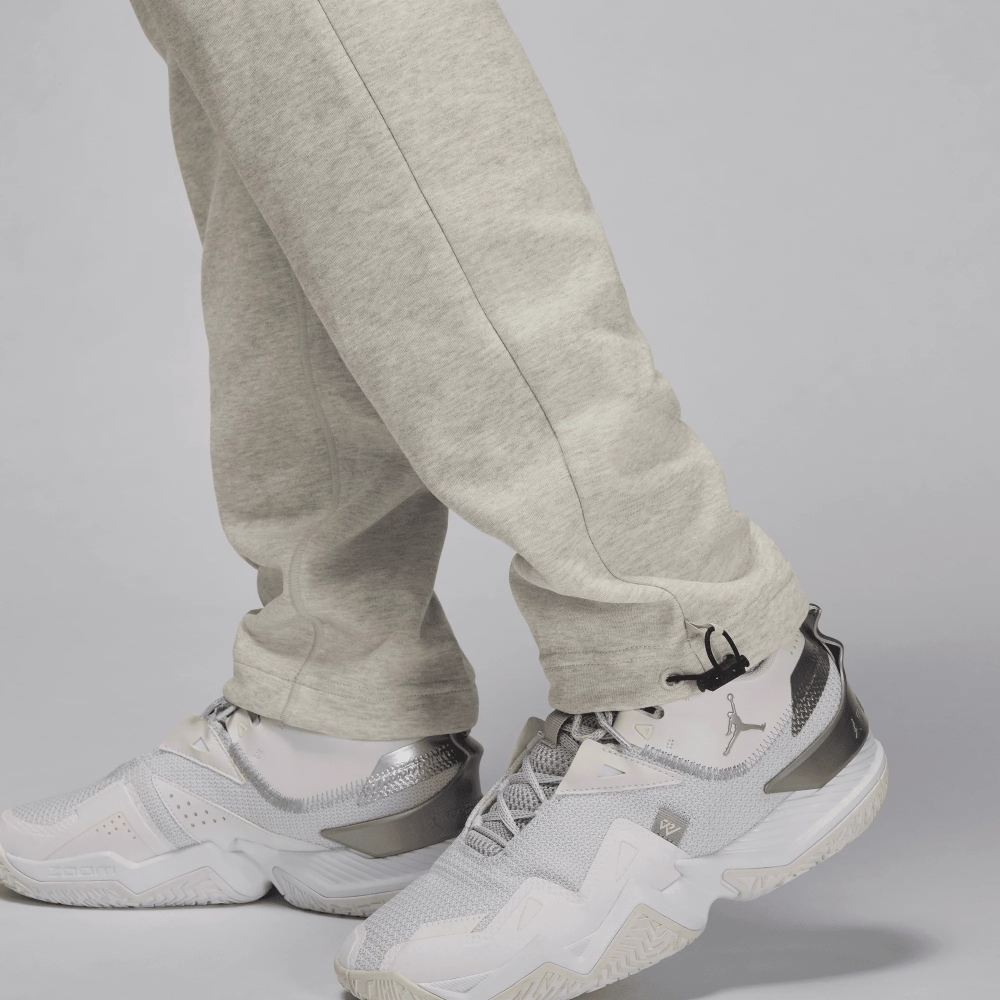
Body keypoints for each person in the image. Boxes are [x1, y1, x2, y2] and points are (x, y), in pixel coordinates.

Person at [0, 3, 887, 997]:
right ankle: (335, 710)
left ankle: (702, 665)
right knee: (251, 46)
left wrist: (685, 641)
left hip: (704, 670)